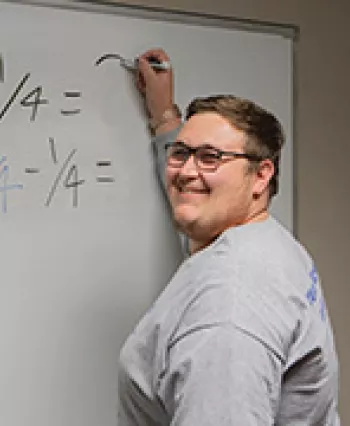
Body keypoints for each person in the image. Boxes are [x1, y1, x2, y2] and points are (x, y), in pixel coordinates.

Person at [118, 49, 340, 425]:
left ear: (261, 176)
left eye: (210, 158)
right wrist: (165, 121)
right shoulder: (263, 241)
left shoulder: (229, 302)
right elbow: (197, 193)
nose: (187, 171)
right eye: (181, 153)